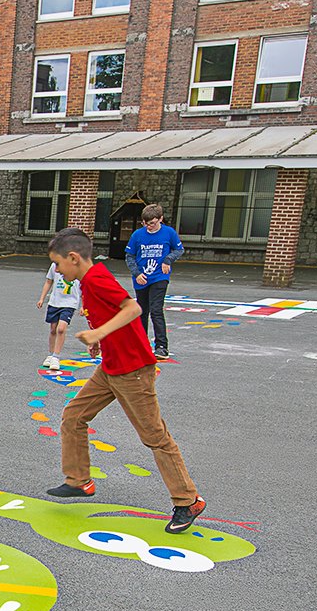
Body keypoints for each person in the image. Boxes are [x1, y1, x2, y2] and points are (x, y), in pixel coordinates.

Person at [45, 227, 206, 534]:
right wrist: (101, 340)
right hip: (111, 367)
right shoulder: (86, 281)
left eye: (58, 264)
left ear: (74, 258)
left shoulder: (97, 278)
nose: (58, 270)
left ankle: (188, 500)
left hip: (133, 371)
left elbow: (132, 308)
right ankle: (79, 481)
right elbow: (109, 317)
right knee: (74, 416)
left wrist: (98, 333)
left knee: (155, 437)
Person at [124, 203, 184, 360]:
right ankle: (141, 344)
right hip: (142, 278)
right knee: (142, 311)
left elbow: (179, 249)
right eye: (145, 223)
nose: (148, 226)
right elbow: (129, 256)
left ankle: (161, 346)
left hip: (159, 277)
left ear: (160, 219)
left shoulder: (168, 233)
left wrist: (168, 260)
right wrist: (136, 273)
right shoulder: (137, 235)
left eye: (152, 223)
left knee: (156, 310)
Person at [35, 259, 82, 370]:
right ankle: (51, 354)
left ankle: (56, 356)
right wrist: (42, 298)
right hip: (55, 302)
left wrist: (83, 305)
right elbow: (48, 281)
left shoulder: (78, 266)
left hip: (70, 303)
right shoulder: (55, 265)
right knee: (53, 329)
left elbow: (83, 286)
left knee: (61, 329)